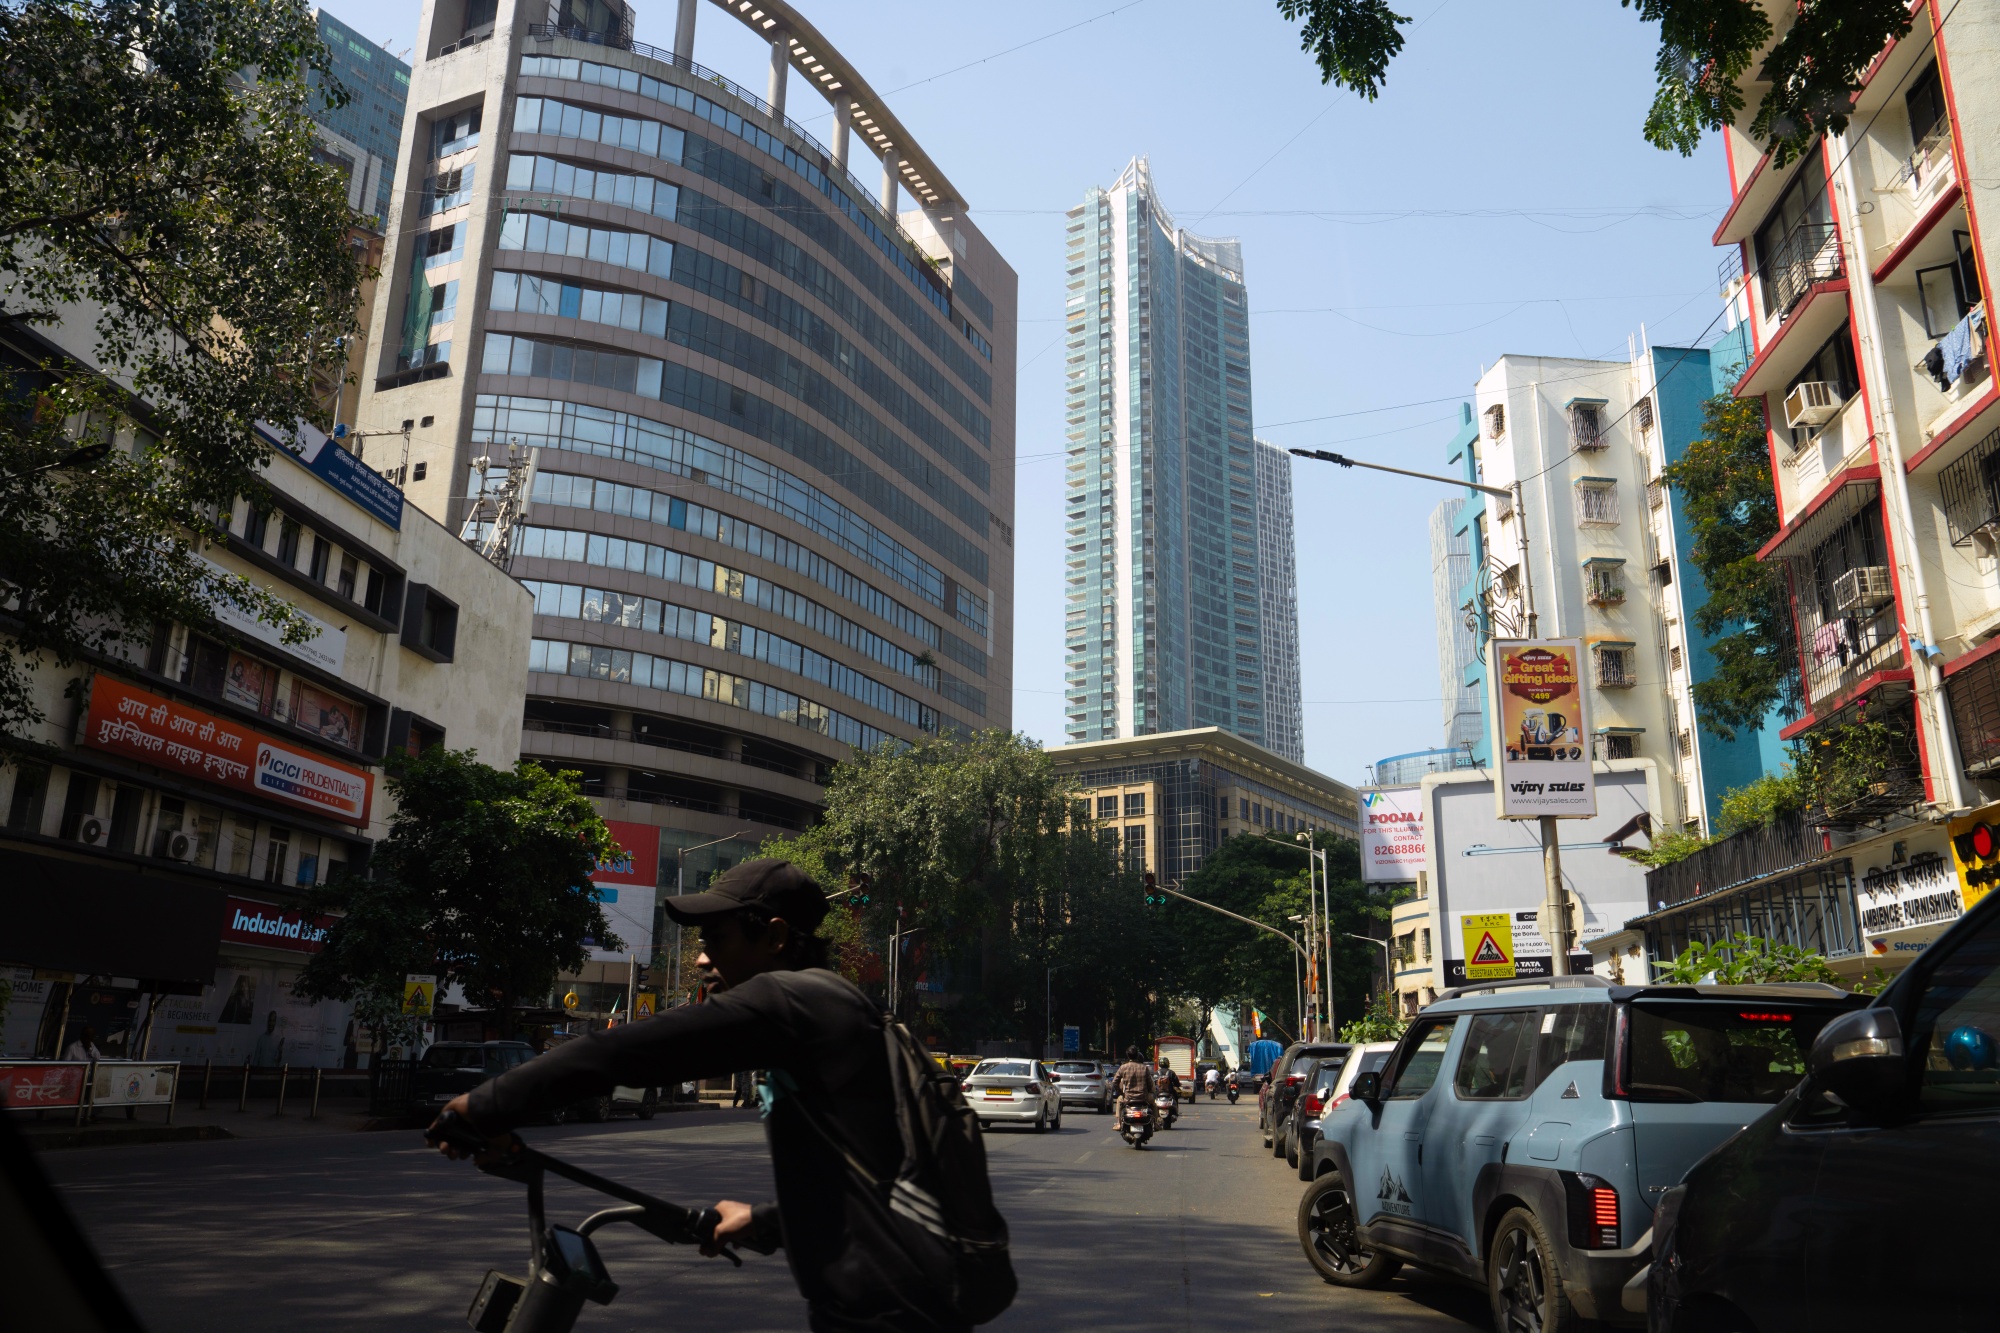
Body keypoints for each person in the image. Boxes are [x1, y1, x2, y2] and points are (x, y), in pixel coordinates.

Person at [431, 859, 967, 1333]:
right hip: (896, 1299)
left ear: (775, 938)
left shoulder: (793, 999)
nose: (701, 961)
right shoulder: (836, 1008)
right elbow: (871, 1174)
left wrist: (482, 1104)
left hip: (885, 1309)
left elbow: (629, 1053)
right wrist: (763, 1220)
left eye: (716, 941)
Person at [1109, 1046, 1155, 1121]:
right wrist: (1150, 1091)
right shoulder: (1144, 1067)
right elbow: (1150, 1083)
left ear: (1128, 1055)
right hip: (1143, 1098)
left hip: (1128, 1098)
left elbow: (1114, 1082)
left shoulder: (1123, 1067)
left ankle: (1119, 1122)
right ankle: (1155, 1123)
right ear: (1137, 1055)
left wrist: (1120, 1093)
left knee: (1119, 1100)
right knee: (1154, 1104)